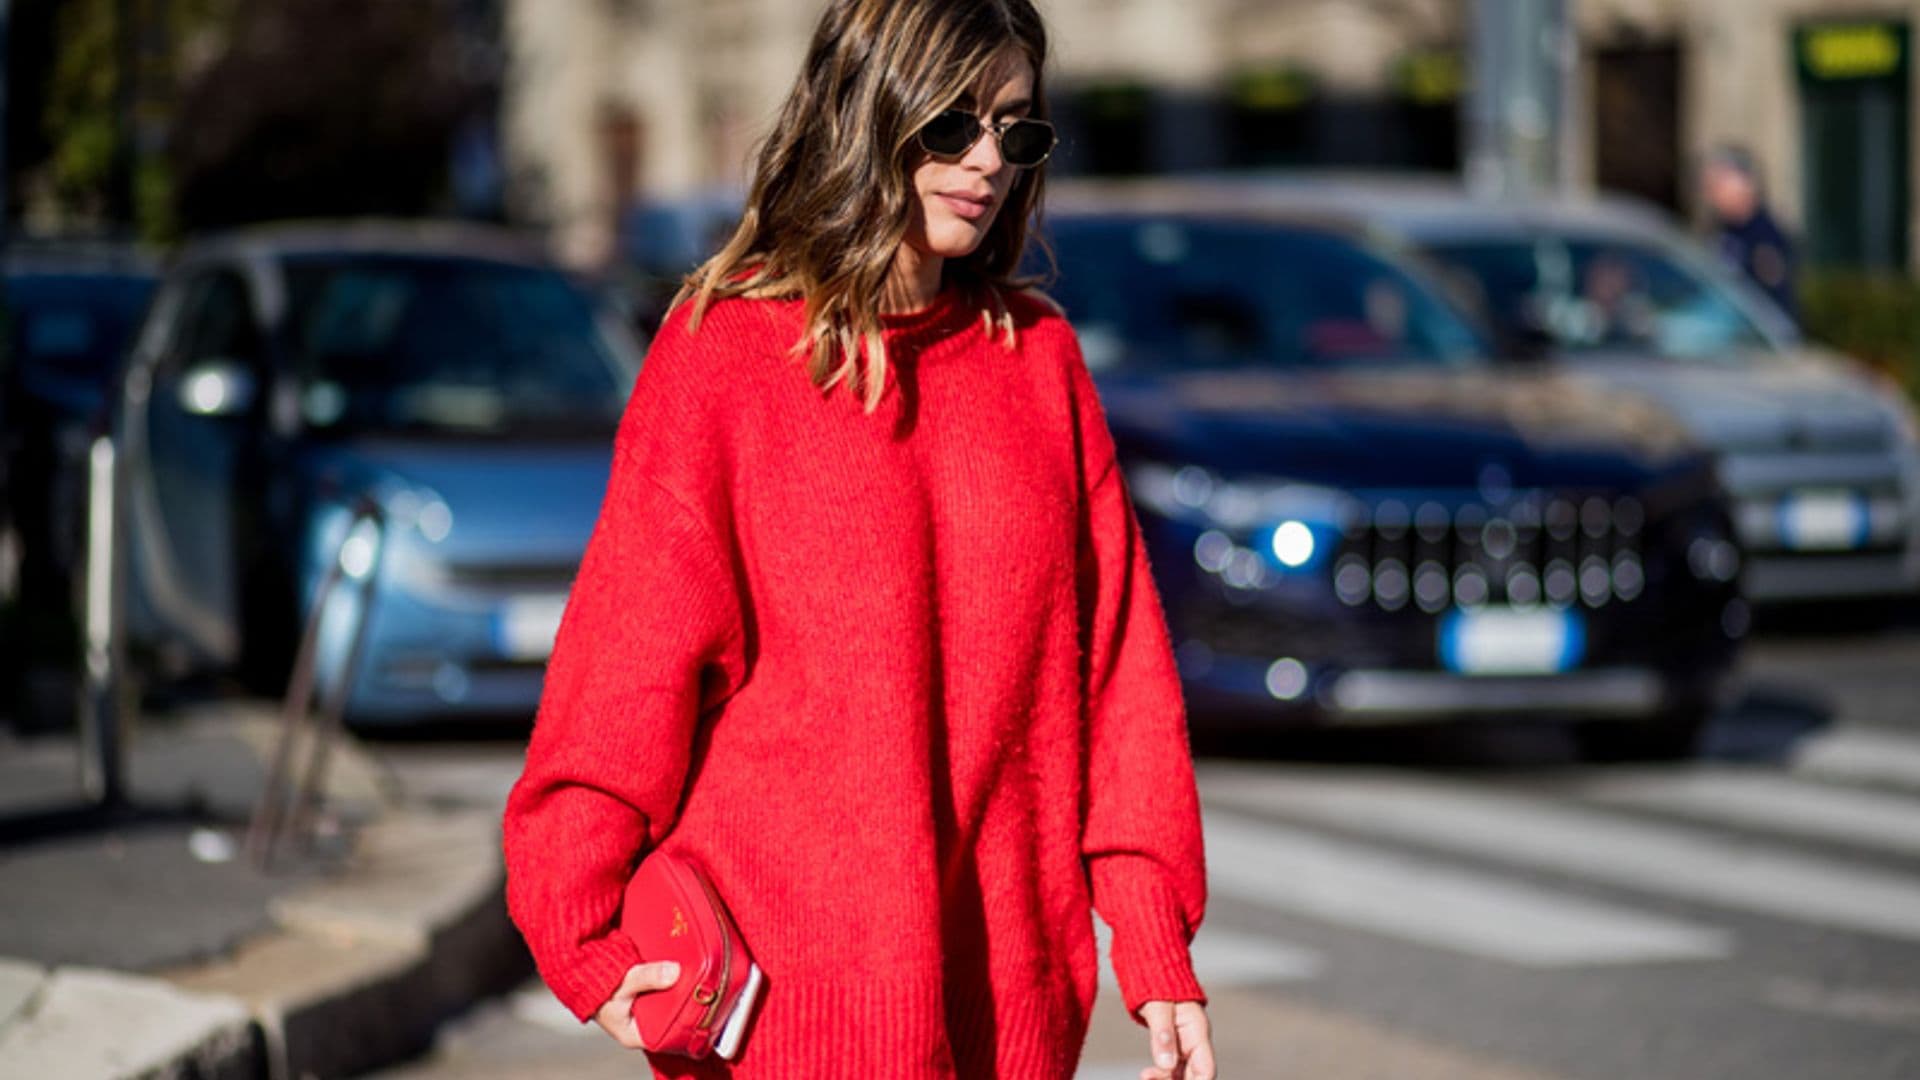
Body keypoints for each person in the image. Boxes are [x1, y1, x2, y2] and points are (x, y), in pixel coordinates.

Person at [499, 1, 1216, 1078]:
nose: (987, 162)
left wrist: (1154, 946)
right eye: (951, 125)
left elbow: (1120, 683)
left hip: (1010, 1006)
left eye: (1016, 132)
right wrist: (582, 930)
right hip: (785, 1014)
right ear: (867, 113)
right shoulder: (726, 358)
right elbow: (624, 670)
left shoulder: (1040, 364)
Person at [1700, 144, 1799, 324]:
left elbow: (1771, 303)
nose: (1711, 194)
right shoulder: (1720, 230)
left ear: (1746, 185)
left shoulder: (1765, 236)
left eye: (1719, 184)